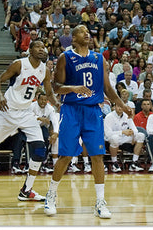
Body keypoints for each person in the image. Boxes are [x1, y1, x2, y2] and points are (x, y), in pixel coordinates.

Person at [44, 25, 132, 218]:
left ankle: (100, 202)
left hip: (93, 111)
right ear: (73, 38)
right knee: (65, 156)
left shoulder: (99, 58)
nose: (87, 34)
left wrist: (121, 104)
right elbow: (56, 87)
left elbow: (107, 88)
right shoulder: (65, 58)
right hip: (71, 109)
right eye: (82, 31)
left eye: (88, 32)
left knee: (97, 156)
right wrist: (73, 88)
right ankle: (51, 194)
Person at [0, 40, 58, 201]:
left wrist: (59, 104)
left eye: (44, 47)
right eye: (38, 47)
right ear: (30, 50)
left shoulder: (45, 71)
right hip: (6, 112)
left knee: (40, 150)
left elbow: (49, 93)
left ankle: (26, 190)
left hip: (26, 113)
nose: (42, 49)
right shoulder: (19, 64)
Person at [104, 103, 146, 172]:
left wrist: (133, 134)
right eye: (118, 106)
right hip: (111, 139)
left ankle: (134, 163)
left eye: (122, 107)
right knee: (115, 138)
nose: (120, 108)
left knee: (141, 135)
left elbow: (135, 129)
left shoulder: (127, 116)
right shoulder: (109, 116)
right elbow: (108, 133)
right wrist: (122, 132)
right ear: (114, 107)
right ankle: (114, 163)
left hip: (125, 138)